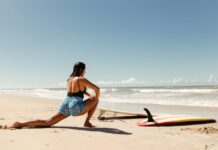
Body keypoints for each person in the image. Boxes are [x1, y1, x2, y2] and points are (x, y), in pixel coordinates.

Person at [10, 62, 100, 128]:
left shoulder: (69, 79)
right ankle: (87, 122)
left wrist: (88, 94)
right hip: (75, 106)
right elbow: (97, 89)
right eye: (85, 69)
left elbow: (77, 91)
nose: (85, 71)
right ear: (81, 69)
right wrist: (95, 98)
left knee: (48, 122)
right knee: (96, 100)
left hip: (66, 104)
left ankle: (21, 124)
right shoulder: (81, 79)